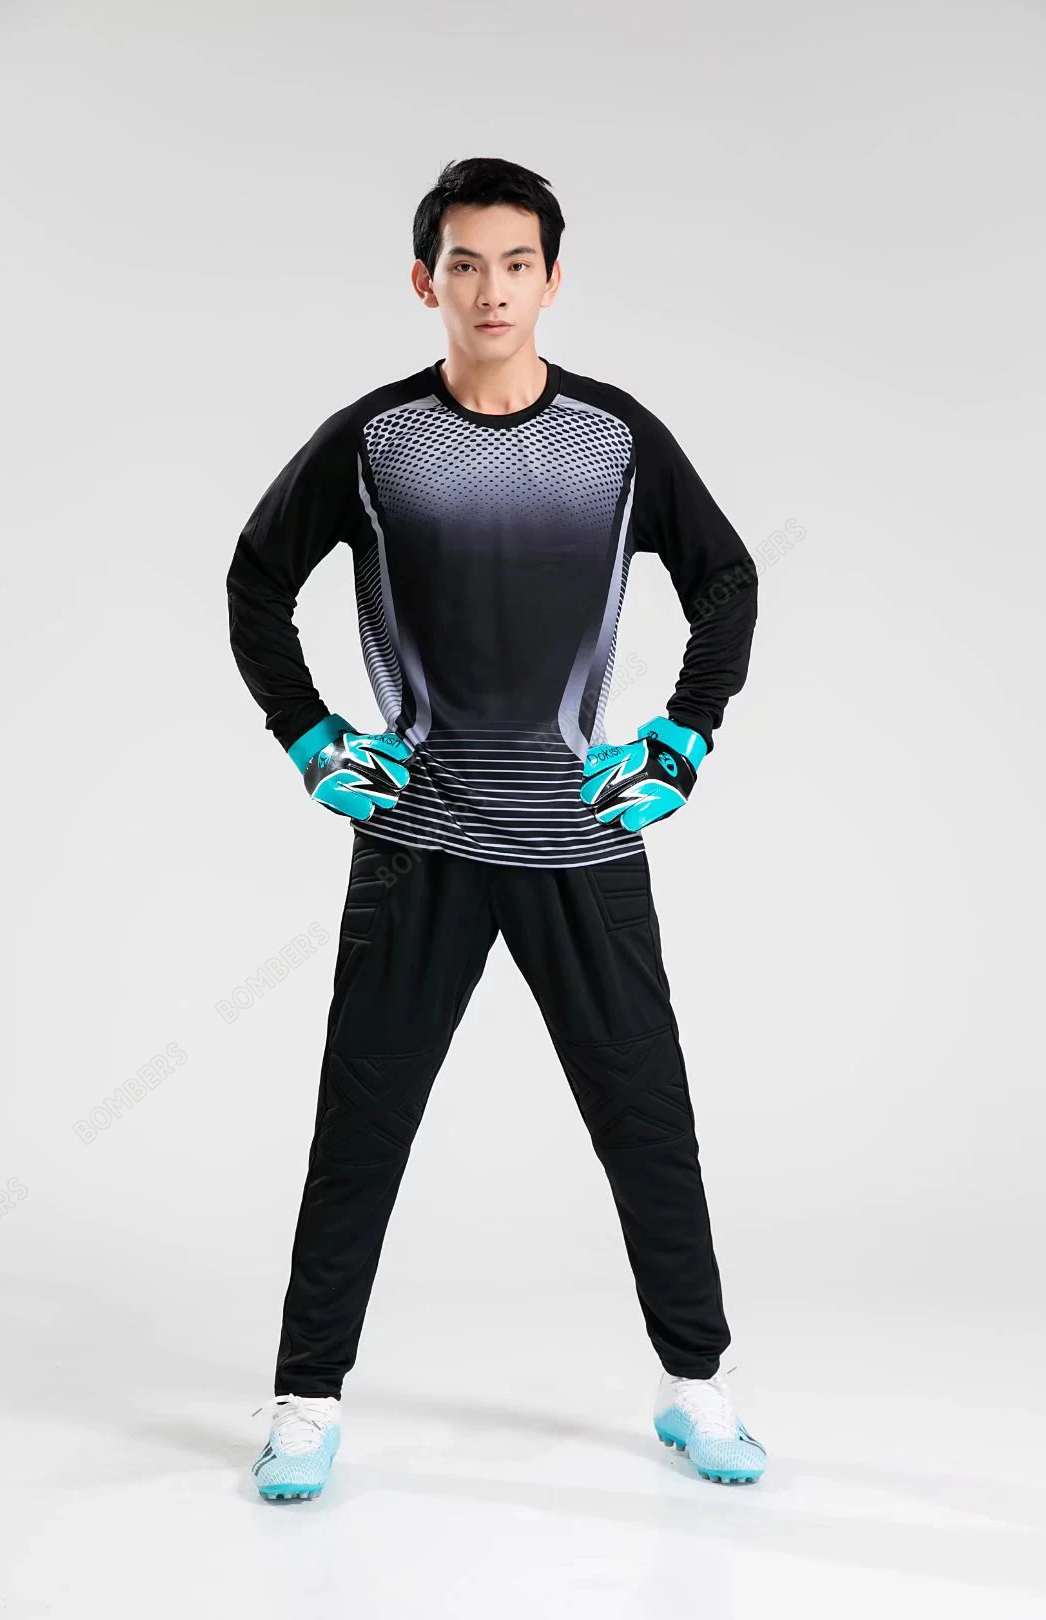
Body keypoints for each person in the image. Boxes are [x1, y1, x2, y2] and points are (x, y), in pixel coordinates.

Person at [228, 156, 766, 1501]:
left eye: (516, 264)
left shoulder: (614, 440)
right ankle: (305, 1400)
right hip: (417, 837)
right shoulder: (375, 443)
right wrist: (307, 736)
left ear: (553, 279)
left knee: (648, 1121)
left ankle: (695, 1387)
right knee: (362, 1122)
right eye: (464, 264)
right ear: (426, 282)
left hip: (581, 837)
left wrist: (686, 737)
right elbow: (253, 581)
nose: (491, 290)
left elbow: (727, 579)